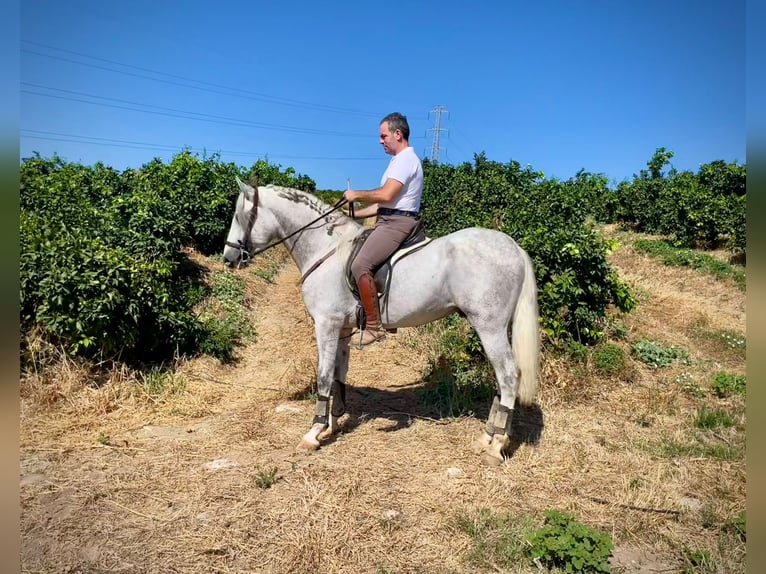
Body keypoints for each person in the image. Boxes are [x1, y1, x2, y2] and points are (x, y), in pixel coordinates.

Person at [344, 112, 424, 346]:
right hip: (388, 219)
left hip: (397, 223)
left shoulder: (406, 160)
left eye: (383, 136)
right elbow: (383, 204)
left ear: (397, 134)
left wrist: (356, 193)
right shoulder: (397, 161)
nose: (380, 141)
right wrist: (353, 214)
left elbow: (386, 194)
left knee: (361, 264)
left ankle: (374, 327)